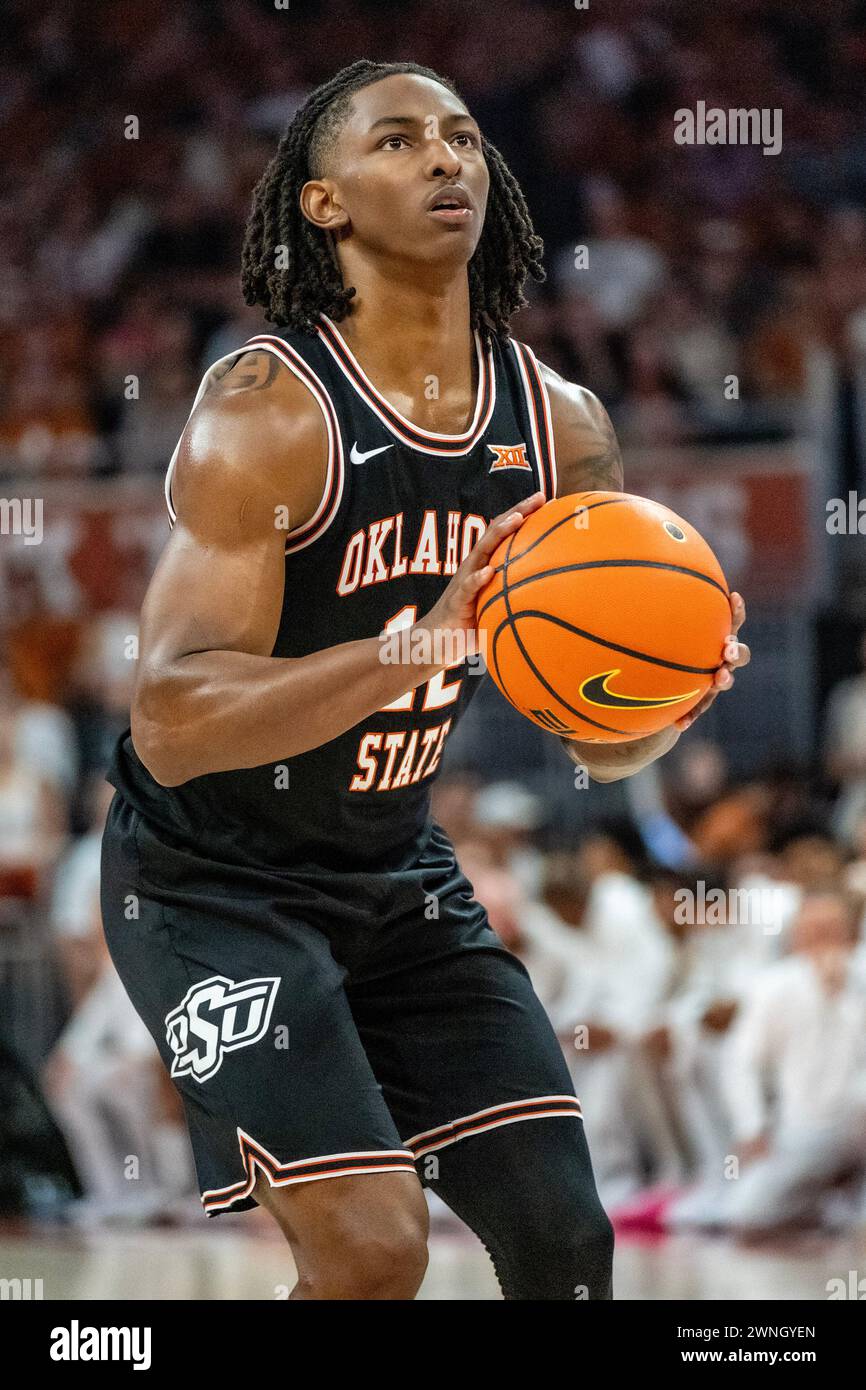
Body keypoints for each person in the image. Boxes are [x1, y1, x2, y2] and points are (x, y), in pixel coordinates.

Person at [100, 59, 749, 1301]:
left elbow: (601, 751)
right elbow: (171, 719)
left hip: (395, 871)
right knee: (371, 1250)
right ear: (324, 204)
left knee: (567, 1245)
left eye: (459, 138)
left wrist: (663, 696)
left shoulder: (562, 427)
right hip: (212, 880)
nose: (447, 159)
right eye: (397, 142)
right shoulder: (267, 407)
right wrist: (421, 641)